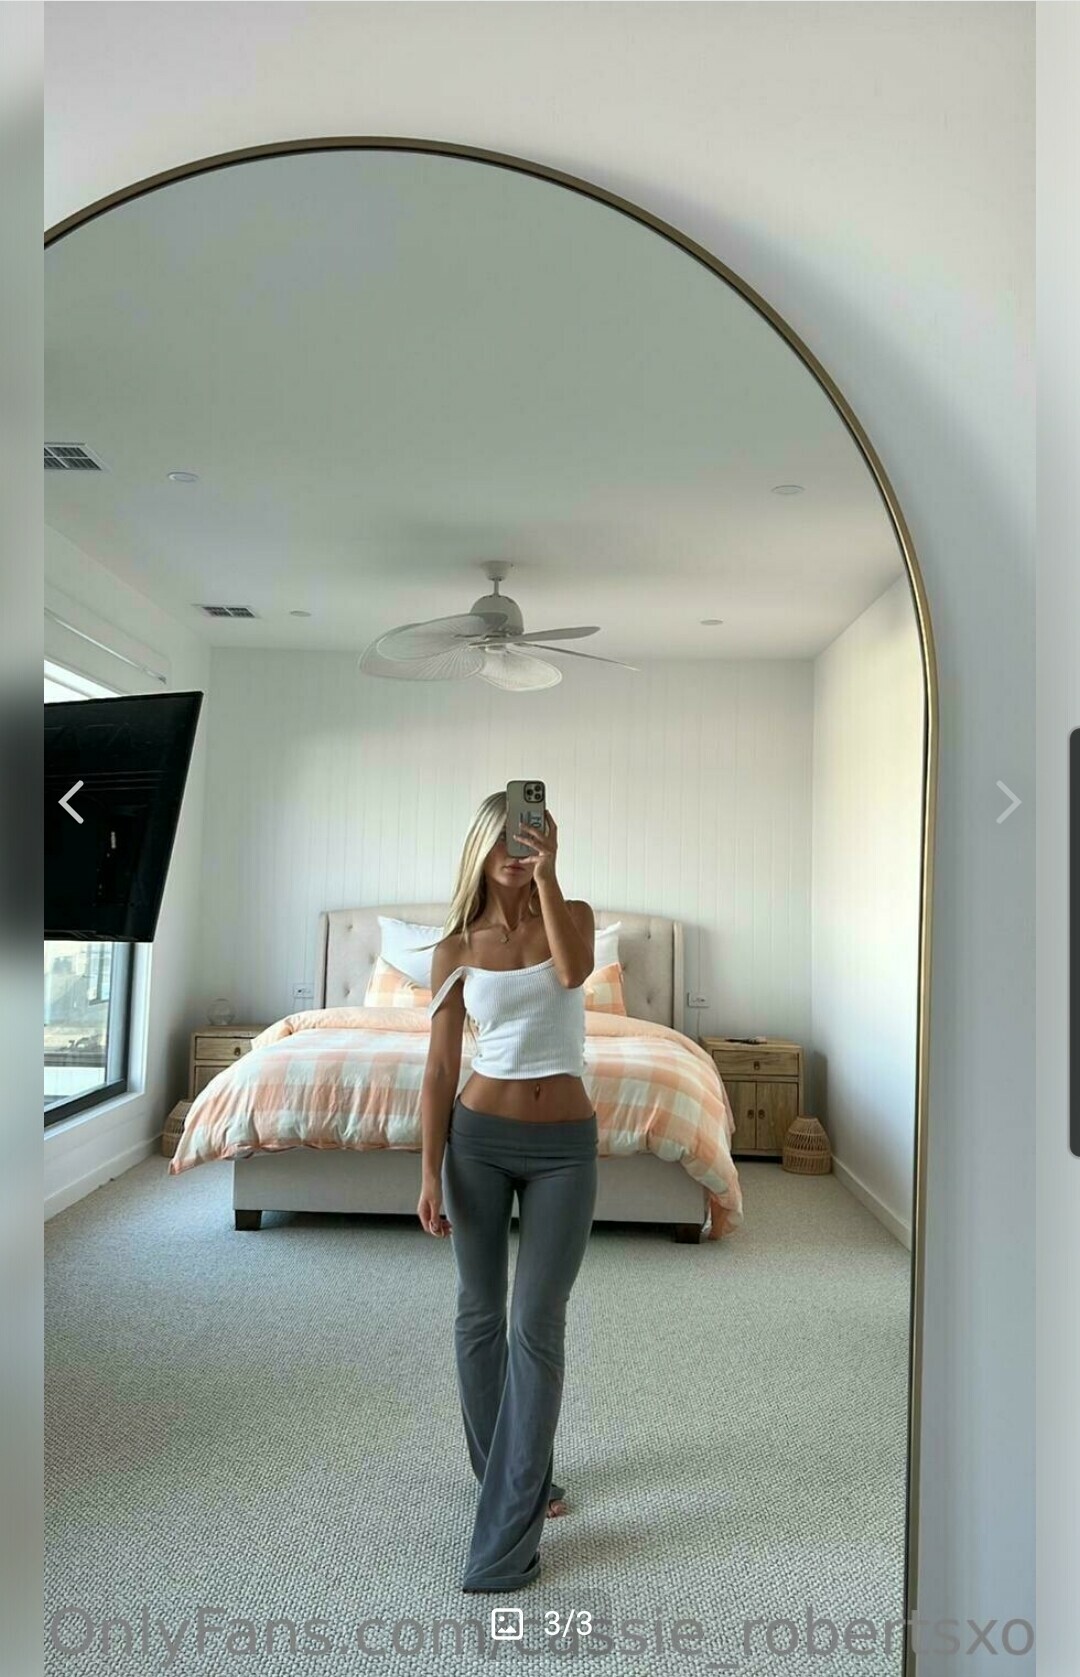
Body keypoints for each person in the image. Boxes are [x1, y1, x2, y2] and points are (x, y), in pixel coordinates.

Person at [417, 789, 598, 1593]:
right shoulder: (454, 947)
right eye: (506, 842)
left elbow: (573, 970)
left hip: (565, 1151)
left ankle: (506, 1529)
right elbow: (438, 1068)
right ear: (481, 847)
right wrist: (428, 1169)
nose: (517, 855)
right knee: (480, 1313)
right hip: (478, 1144)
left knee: (535, 1321)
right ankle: (511, 1476)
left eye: (530, 840)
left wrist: (550, 875)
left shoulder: (573, 915)